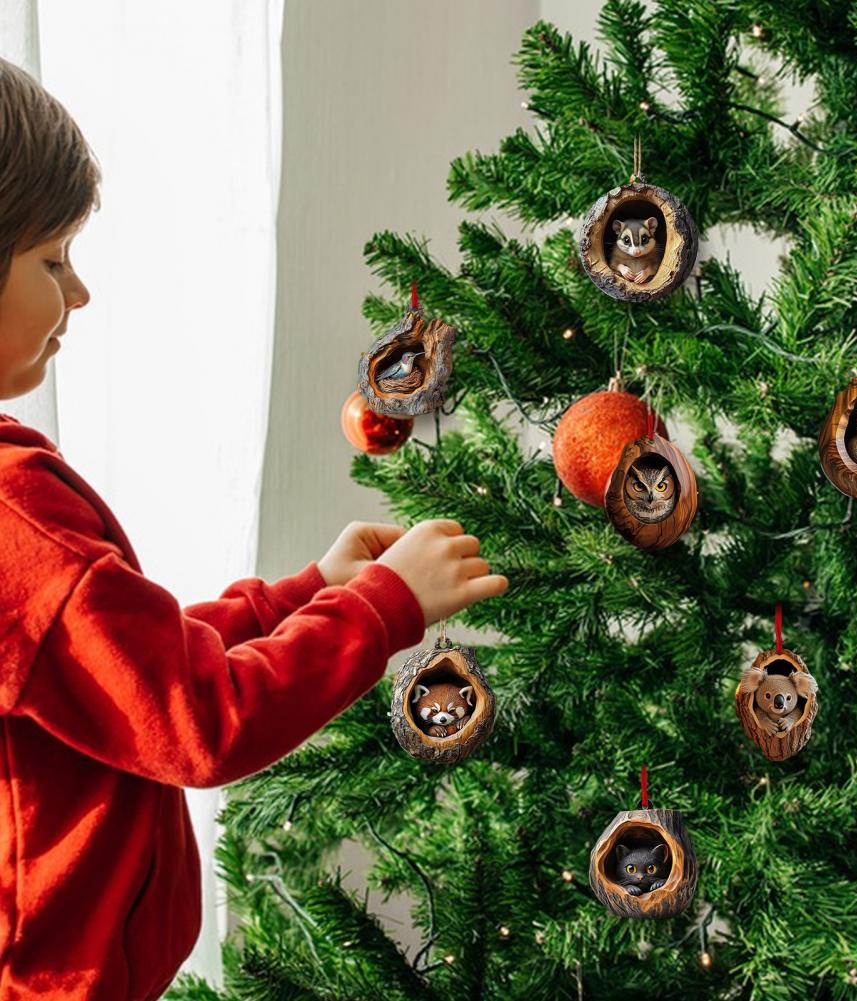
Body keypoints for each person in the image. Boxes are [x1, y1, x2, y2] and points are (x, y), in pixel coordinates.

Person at [0, 55, 508, 999]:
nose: (78, 294)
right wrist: (387, 606)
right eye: (53, 259)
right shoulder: (13, 515)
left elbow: (120, 668)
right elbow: (197, 722)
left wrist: (302, 595)